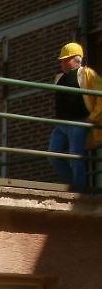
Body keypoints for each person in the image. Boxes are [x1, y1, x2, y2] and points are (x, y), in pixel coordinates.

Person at [49, 42, 102, 191]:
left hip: (78, 122)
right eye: (61, 60)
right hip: (61, 124)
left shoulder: (87, 74)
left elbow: (101, 97)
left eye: (65, 60)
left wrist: (92, 118)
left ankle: (80, 190)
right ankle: (73, 185)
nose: (62, 63)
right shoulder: (59, 77)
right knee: (53, 156)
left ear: (76, 59)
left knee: (75, 155)